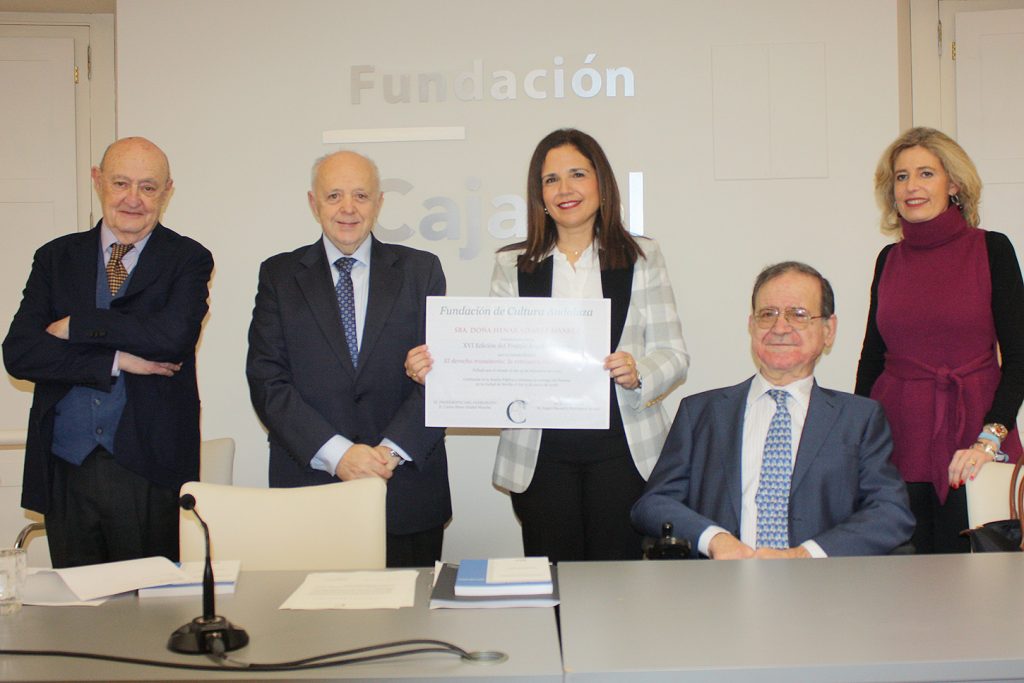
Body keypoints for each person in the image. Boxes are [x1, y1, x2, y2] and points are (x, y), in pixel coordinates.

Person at [406, 128, 688, 561]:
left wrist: (639, 372)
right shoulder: (512, 264)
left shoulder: (641, 256)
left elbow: (674, 354)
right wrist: (440, 370)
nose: (564, 189)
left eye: (577, 174)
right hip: (540, 455)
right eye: (551, 179)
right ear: (539, 195)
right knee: (552, 578)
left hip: (623, 450)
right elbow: (495, 358)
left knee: (620, 581)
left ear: (602, 184)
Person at [2, 137, 213, 568]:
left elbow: (171, 339)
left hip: (148, 469)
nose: (133, 199)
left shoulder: (187, 259)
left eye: (148, 187)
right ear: (98, 181)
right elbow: (20, 353)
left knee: (148, 604)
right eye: (121, 183)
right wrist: (116, 361)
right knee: (76, 604)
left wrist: (77, 326)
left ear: (167, 191)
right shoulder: (55, 258)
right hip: (66, 467)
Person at [246, 150, 450, 568]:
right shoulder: (279, 276)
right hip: (310, 492)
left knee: (411, 611)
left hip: (404, 492)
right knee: (315, 613)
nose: (348, 208)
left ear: (379, 202)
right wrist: (339, 454)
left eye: (361, 195)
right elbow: (267, 381)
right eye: (334, 195)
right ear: (313, 202)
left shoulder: (421, 271)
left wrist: (387, 454)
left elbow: (443, 375)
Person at [632, 262, 914, 558]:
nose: (780, 328)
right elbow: (653, 504)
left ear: (828, 330)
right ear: (751, 325)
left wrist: (804, 555)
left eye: (798, 314)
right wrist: (715, 540)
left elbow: (891, 513)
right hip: (721, 579)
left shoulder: (860, 419)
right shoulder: (701, 413)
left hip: (823, 581)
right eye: (768, 314)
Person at [855, 127, 1024, 554]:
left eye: (926, 173)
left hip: (976, 442)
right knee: (901, 576)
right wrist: (855, 441)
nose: (911, 186)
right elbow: (872, 359)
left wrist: (989, 440)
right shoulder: (888, 259)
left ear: (954, 184)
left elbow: (1019, 357)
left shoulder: (992, 250)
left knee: (979, 577)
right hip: (897, 440)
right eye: (901, 176)